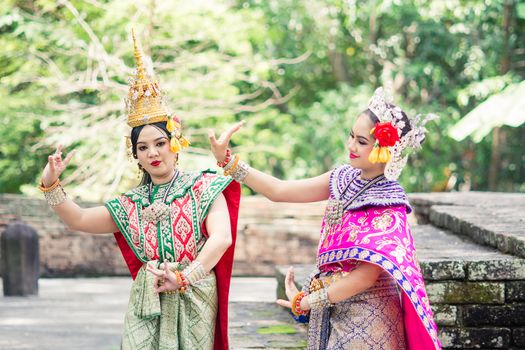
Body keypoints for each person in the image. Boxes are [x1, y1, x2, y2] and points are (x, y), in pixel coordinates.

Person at [38, 31, 241, 350]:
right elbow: (77, 219)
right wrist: (51, 182)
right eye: (143, 147)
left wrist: (185, 277)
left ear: (175, 144)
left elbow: (222, 238)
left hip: (195, 294)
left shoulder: (204, 186)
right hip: (148, 297)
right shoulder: (131, 204)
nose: (153, 153)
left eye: (160, 143)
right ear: (136, 156)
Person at [208, 87, 441, 350]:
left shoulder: (389, 202)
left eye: (362, 142)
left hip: (372, 316)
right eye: (351, 136)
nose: (351, 145)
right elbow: (279, 191)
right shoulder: (341, 178)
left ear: (384, 150)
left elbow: (366, 276)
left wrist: (310, 301)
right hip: (335, 308)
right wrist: (228, 161)